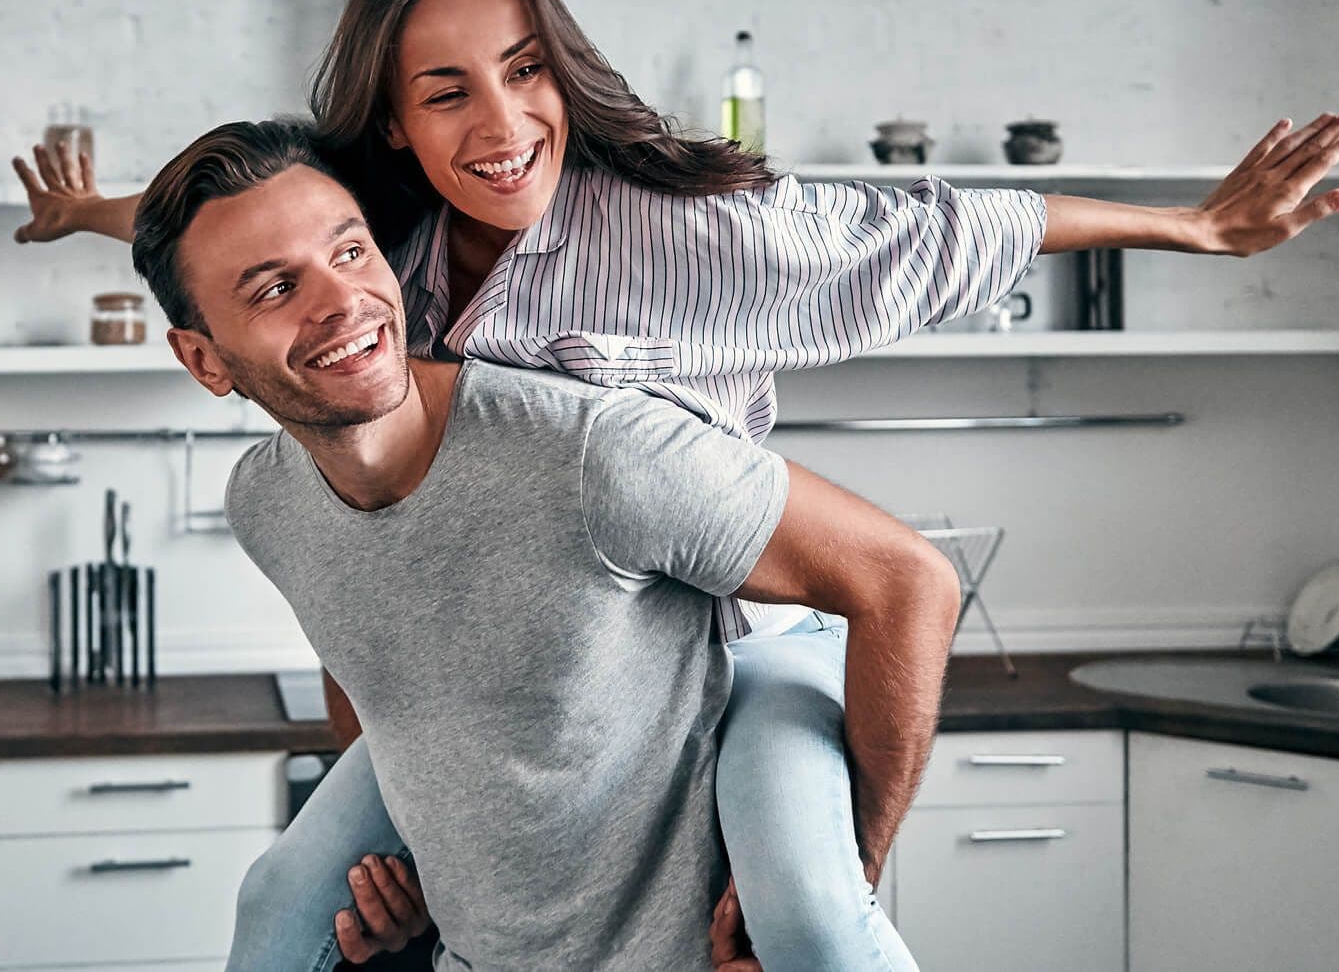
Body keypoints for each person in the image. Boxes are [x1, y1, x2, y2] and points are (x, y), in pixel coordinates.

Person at [13, 0, 1339, 968]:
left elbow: (932, 228)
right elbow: (227, 227)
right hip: (521, 674)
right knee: (286, 896)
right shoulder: (381, 249)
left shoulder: (689, 230)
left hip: (736, 651)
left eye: (525, 71)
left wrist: (1187, 229)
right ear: (394, 126)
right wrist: (89, 213)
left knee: (810, 921)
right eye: (447, 94)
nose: (501, 125)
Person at [132, 118, 961, 970]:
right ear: (204, 359)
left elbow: (907, 578)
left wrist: (844, 871)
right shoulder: (267, 499)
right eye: (273, 288)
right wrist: (401, 860)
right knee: (272, 909)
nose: (341, 301)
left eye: (349, 253)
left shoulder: (592, 451)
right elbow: (358, 655)